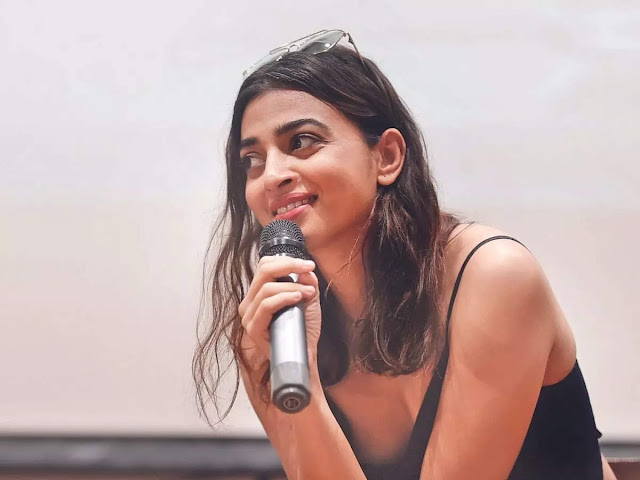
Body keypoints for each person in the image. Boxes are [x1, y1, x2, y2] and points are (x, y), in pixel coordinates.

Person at [193, 30, 617, 480]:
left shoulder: (494, 277)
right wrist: (304, 386)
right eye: (252, 160)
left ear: (387, 157)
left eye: (302, 142)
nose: (272, 175)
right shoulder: (270, 330)